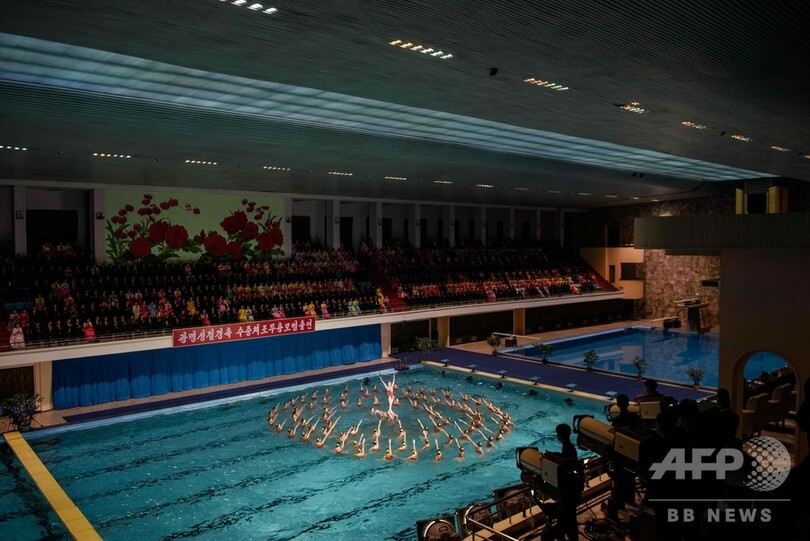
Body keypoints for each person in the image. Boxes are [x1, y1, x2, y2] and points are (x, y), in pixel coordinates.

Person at [606, 394, 640, 522]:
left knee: (620, 480)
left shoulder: (618, 420)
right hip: (633, 451)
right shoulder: (635, 417)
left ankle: (619, 504)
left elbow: (615, 436)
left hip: (621, 453)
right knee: (630, 477)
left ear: (618, 405)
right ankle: (630, 499)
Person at [552, 423, 580, 541]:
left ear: (559, 435)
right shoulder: (569, 447)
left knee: (566, 518)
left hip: (568, 492)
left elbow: (568, 464)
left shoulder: (568, 449)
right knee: (571, 518)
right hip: (571, 491)